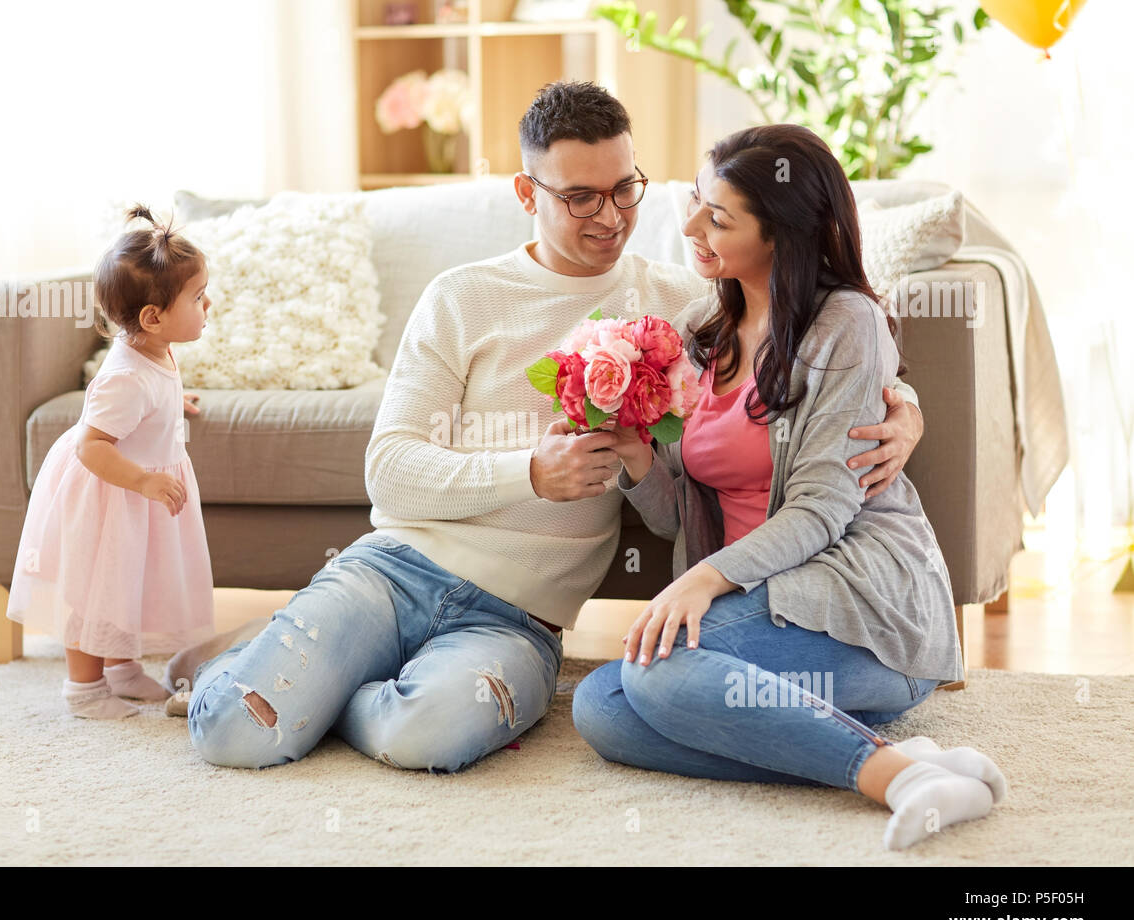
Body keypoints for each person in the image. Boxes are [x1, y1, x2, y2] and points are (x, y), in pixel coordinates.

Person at [179, 82, 923, 771]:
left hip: (517, 623)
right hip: (394, 571)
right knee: (235, 731)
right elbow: (391, 470)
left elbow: (814, 338)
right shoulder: (461, 297)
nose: (611, 216)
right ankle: (279, 675)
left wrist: (905, 406)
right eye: (579, 197)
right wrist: (528, 474)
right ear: (526, 192)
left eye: (625, 189)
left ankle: (321, 688)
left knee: (425, 737)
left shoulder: (685, 305)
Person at [571, 124, 1007, 851]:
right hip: (759, 602)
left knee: (654, 676)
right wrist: (637, 461)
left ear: (781, 235)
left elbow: (824, 508)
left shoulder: (847, 325)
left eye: (718, 217)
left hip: (860, 608)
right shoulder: (703, 333)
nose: (689, 228)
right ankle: (903, 762)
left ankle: (894, 778)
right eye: (693, 204)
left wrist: (703, 582)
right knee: (602, 708)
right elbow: (684, 514)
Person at [6, 205, 215, 719]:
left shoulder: (153, 349)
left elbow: (145, 398)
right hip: (110, 489)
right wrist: (143, 480)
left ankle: (121, 669)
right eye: (197, 296)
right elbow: (92, 445)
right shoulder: (125, 377)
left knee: (126, 581)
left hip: (134, 488)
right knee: (94, 588)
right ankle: (84, 690)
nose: (208, 302)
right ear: (153, 317)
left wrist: (169, 406)